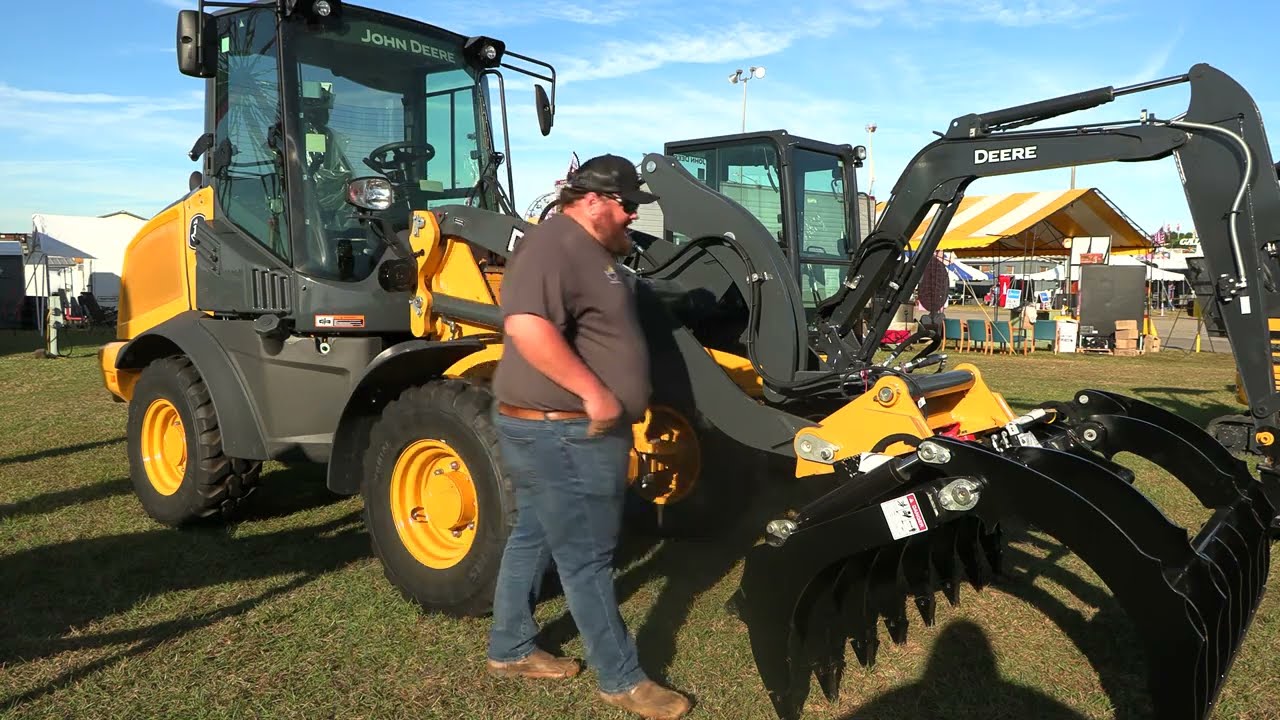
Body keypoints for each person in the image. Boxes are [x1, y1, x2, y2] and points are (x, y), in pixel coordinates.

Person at [486, 154, 693, 719]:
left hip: (558, 427)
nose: (632, 217)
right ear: (593, 200)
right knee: (588, 558)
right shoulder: (554, 243)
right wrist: (597, 394)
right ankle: (622, 678)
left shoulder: (591, 253)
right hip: (567, 429)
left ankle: (509, 646)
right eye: (626, 206)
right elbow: (526, 325)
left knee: (536, 533)